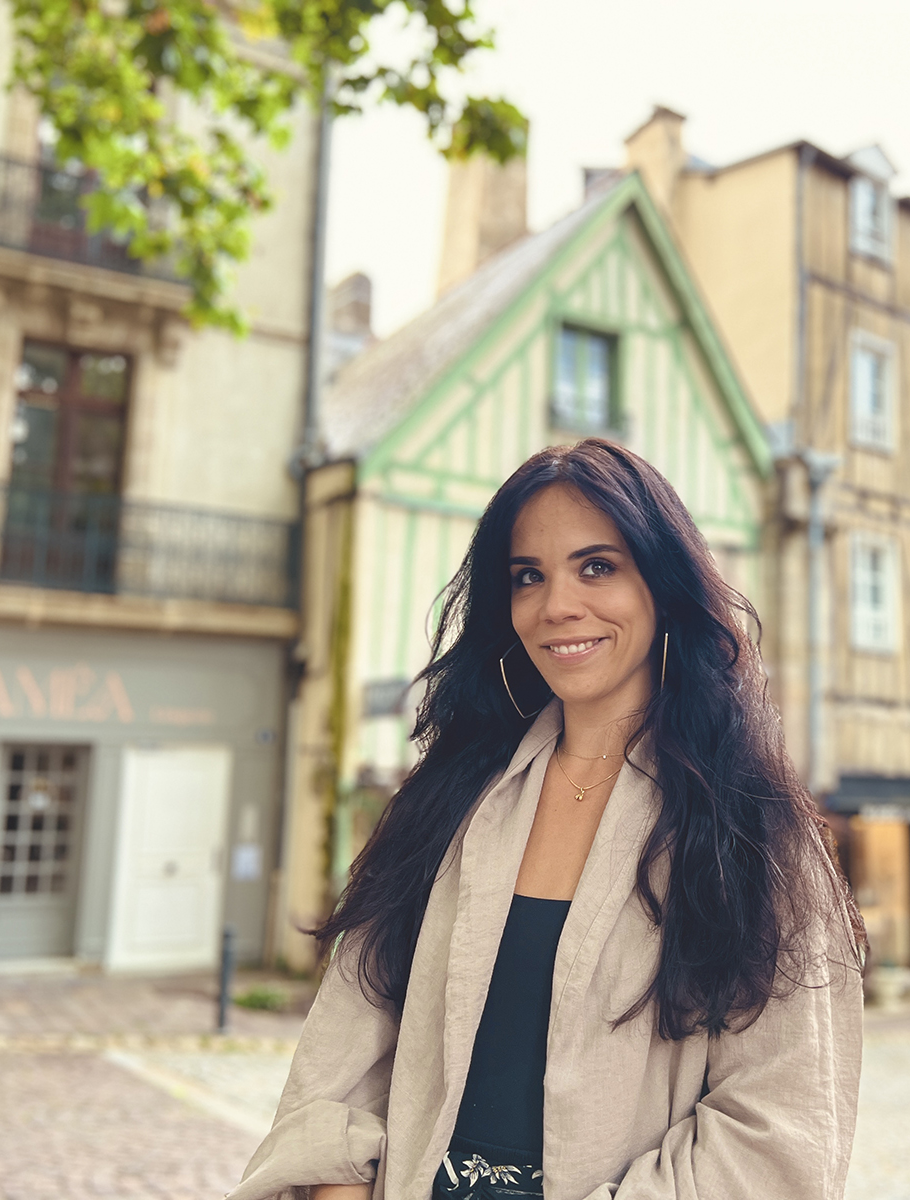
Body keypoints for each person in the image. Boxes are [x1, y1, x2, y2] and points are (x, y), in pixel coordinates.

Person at [229, 439, 865, 1200]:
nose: (557, 604)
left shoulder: (754, 831)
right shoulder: (444, 802)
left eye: (597, 566)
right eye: (528, 576)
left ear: (663, 587)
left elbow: (779, 1130)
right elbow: (345, 1044)